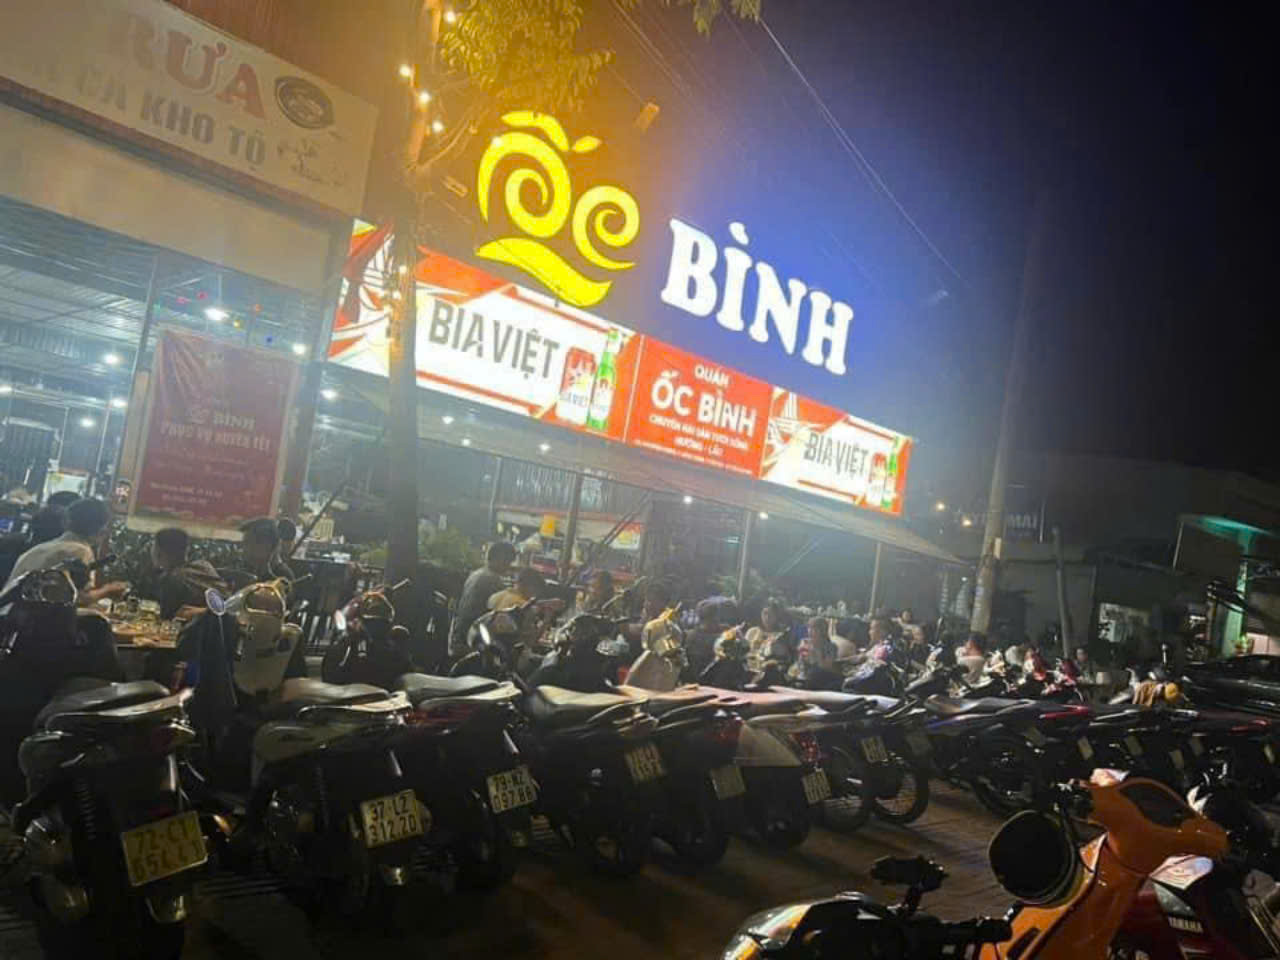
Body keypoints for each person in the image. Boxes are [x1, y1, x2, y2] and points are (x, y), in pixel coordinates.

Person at [1, 498, 127, 603]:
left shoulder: (42, 548)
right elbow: (77, 598)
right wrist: (107, 591)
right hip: (26, 621)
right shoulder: (80, 551)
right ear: (101, 529)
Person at [449, 540, 515, 658]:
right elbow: (505, 611)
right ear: (499, 558)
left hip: (458, 636)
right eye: (507, 561)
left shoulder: (476, 574)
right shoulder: (492, 580)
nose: (508, 566)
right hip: (471, 643)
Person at [150, 527, 223, 620]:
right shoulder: (204, 566)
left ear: (159, 553)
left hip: (197, 628)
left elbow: (166, 618)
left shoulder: (171, 579)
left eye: (153, 546)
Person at [236, 516, 296, 584]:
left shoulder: (283, 577)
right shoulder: (248, 569)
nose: (243, 549)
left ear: (267, 546)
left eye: (248, 543)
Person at [789, 617, 841, 689]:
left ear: (822, 631)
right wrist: (801, 655)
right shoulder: (804, 642)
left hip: (823, 677)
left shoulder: (831, 647)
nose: (810, 631)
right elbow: (800, 664)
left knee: (815, 673)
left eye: (814, 628)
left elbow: (827, 667)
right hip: (804, 676)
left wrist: (816, 650)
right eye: (809, 627)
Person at [745, 598, 793, 672]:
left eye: (771, 614)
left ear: (776, 617)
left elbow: (785, 658)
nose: (767, 618)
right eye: (765, 613)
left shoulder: (781, 636)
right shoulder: (752, 631)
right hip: (749, 669)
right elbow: (745, 651)